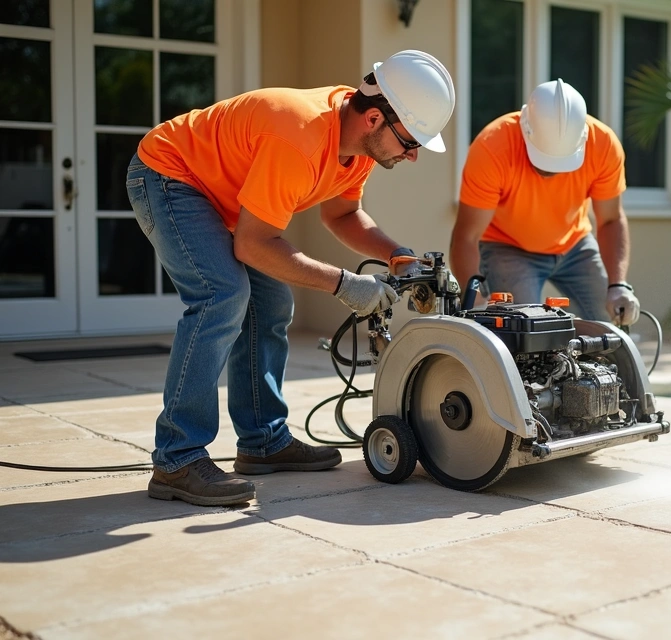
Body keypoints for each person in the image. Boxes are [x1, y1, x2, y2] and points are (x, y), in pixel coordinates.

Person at [126, 50, 455, 506]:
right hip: (170, 175)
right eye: (411, 141)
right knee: (222, 295)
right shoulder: (299, 135)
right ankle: (177, 458)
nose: (413, 155)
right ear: (375, 118)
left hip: (221, 195)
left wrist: (396, 254)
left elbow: (343, 214)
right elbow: (253, 245)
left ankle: (263, 442)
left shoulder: (357, 145)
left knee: (272, 303)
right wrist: (345, 284)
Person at [450, 79, 641, 325]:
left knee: (610, 329)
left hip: (575, 245)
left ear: (581, 140)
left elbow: (611, 220)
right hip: (507, 247)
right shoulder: (492, 147)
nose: (552, 171)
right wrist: (474, 300)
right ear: (525, 129)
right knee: (524, 332)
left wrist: (618, 285)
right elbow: (467, 235)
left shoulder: (603, 145)